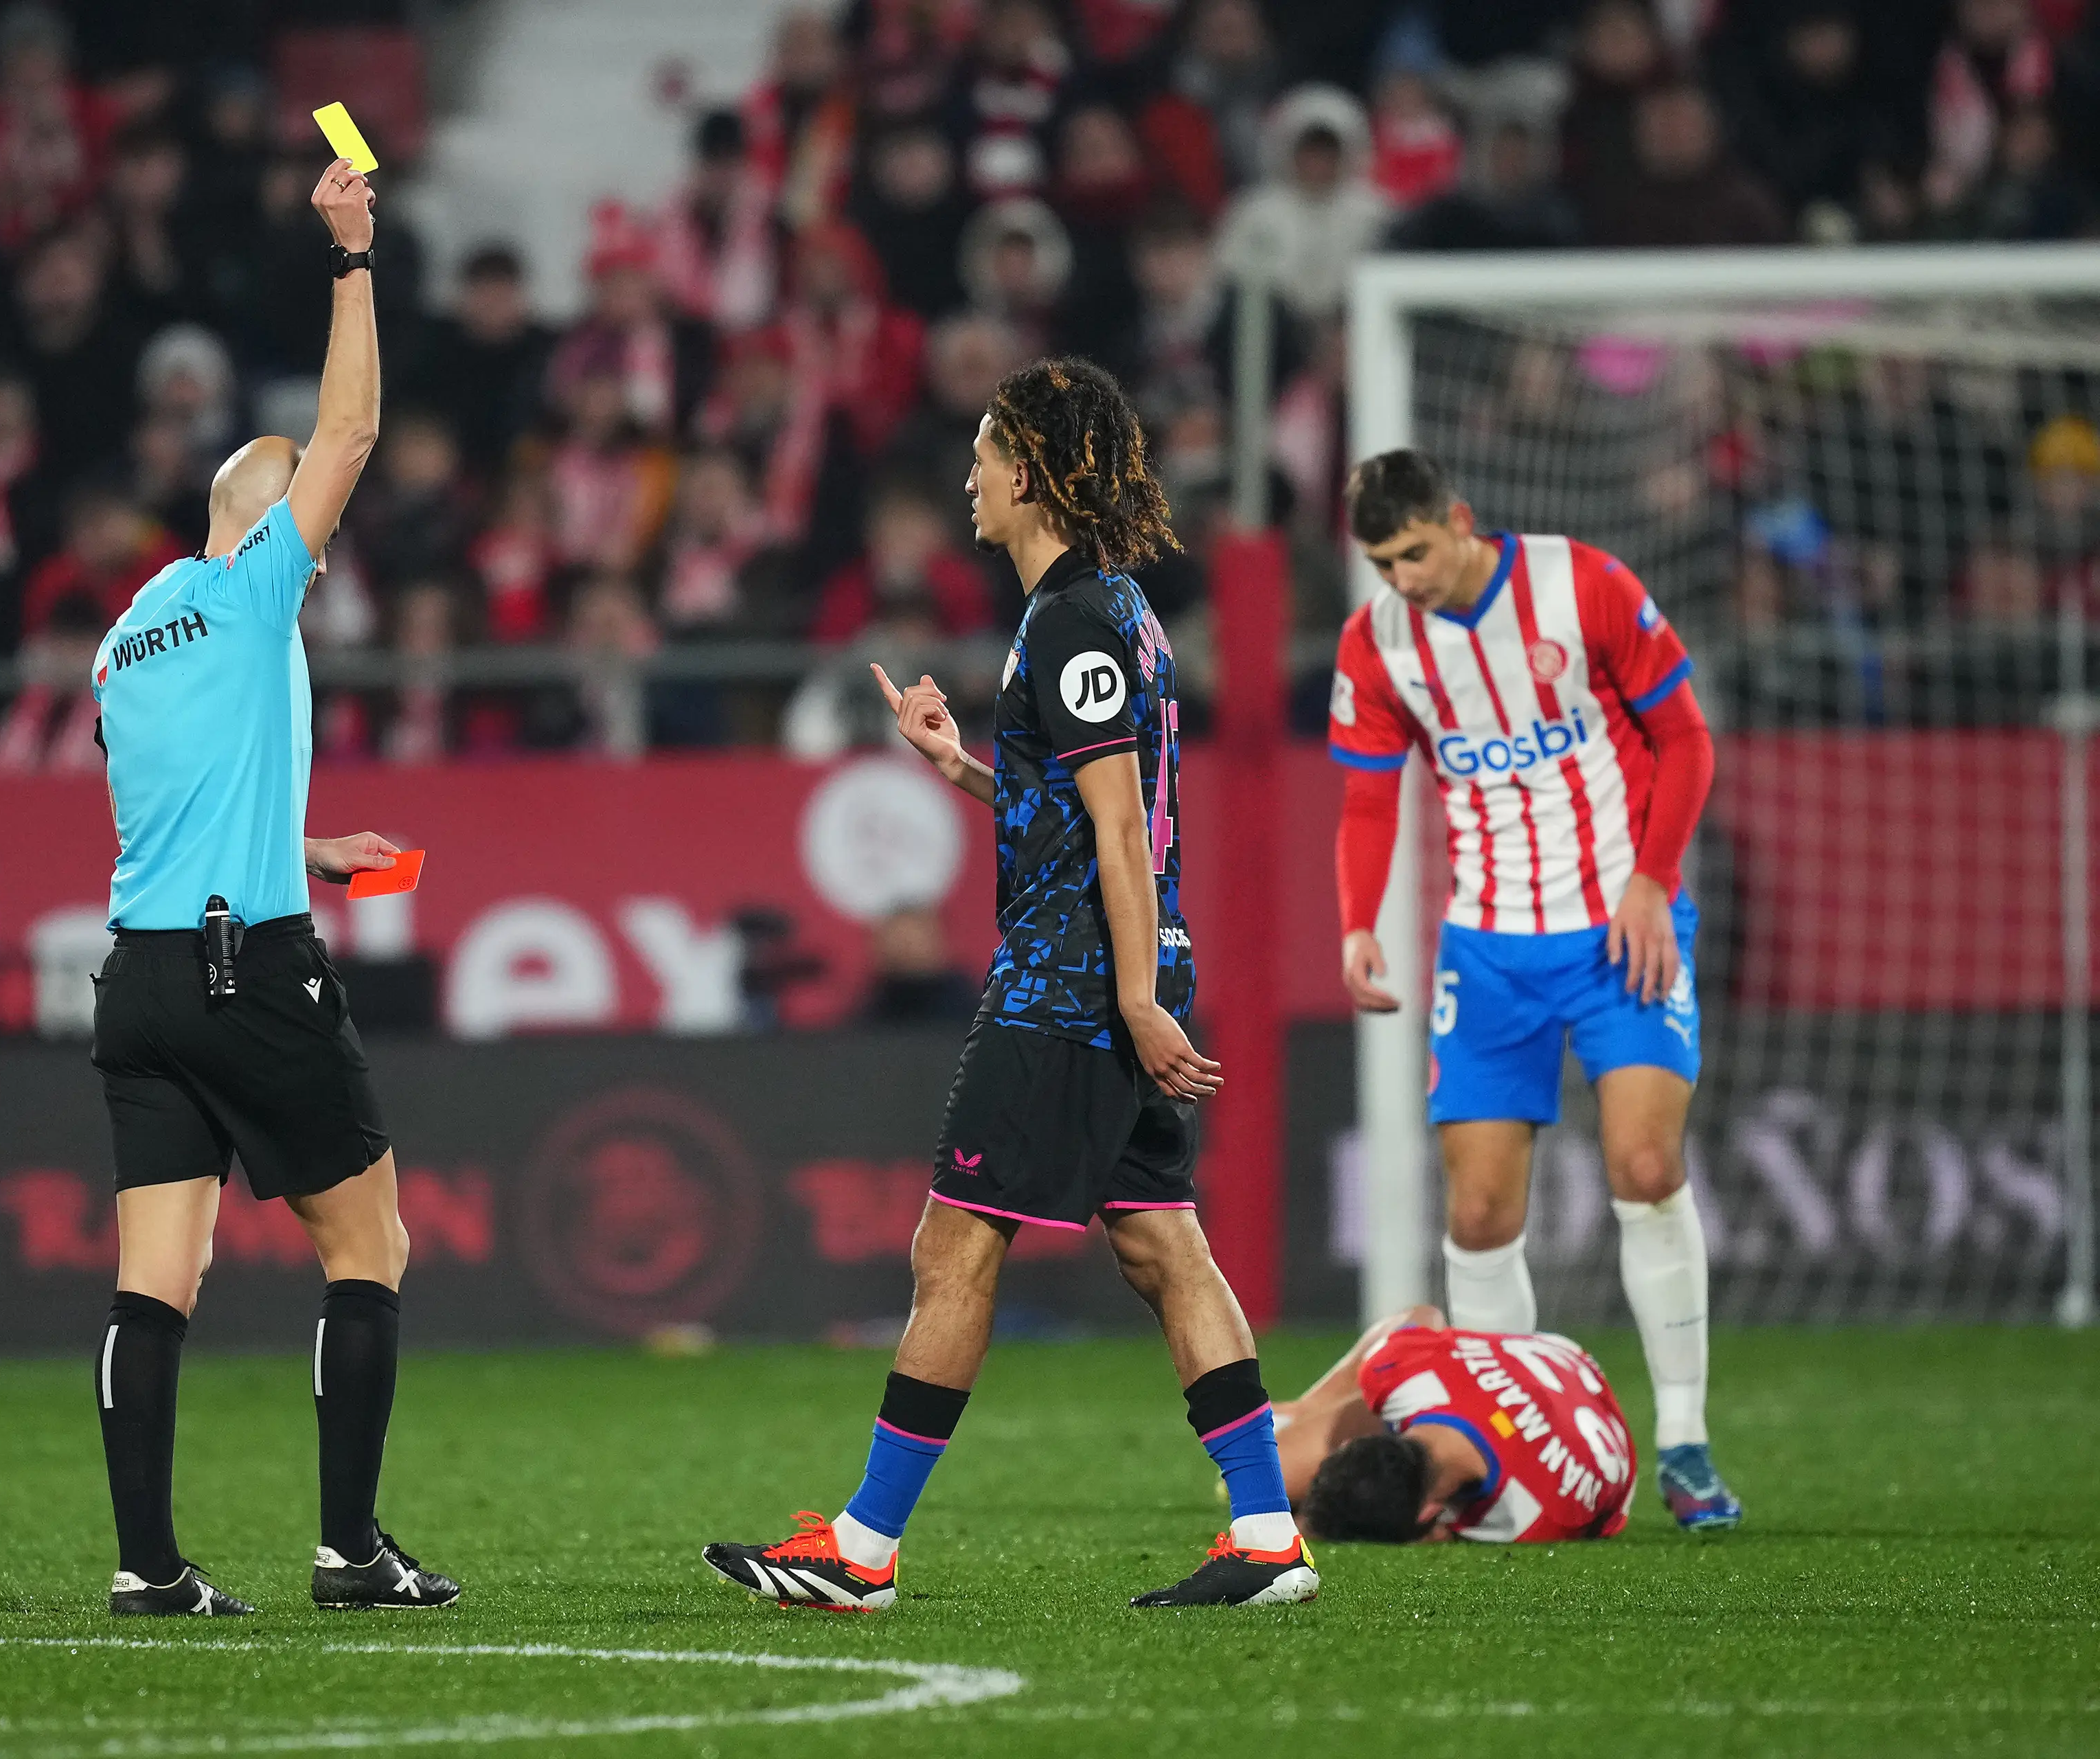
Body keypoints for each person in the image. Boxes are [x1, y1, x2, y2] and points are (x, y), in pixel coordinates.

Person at [703, 359, 1318, 1613]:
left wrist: (1135, 998)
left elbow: (1120, 837)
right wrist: (963, 769)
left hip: (1072, 988)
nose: (970, 477)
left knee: (953, 1246)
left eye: (986, 454)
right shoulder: (1118, 608)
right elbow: (1082, 807)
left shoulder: (1072, 622)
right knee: (1163, 1249)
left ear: (1030, 471)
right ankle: (1266, 1535)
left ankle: (862, 1552)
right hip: (1112, 972)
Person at [84, 156, 459, 1618]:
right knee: (374, 1242)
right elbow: (351, 426)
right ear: (262, 517)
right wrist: (353, 255)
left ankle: (148, 1565)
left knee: (152, 1282)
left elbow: (171, 808)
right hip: (252, 973)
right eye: (308, 522)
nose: (325, 549)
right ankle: (351, 1548)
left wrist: (299, 841)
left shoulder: (126, 636)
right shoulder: (251, 588)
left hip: (142, 976)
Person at [1329, 449, 1738, 1531]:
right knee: (1476, 1210)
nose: (1404, 577)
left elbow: (1686, 739)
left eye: (1415, 551)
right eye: (1384, 561)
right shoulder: (1376, 643)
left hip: (1622, 928)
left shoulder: (1584, 583)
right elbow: (1370, 800)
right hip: (1489, 949)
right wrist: (1360, 921)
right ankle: (1512, 1443)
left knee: (1647, 1166)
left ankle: (1687, 1444)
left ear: (1458, 522)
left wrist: (1654, 880)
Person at [1268, 1307, 1639, 1545]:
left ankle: (1301, 1424)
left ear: (1430, 1515)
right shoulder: (1403, 1373)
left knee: (1290, 1492)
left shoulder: (1534, 1517)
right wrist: (1314, 1407)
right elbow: (1421, 1316)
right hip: (1548, 1364)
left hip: (1574, 1384)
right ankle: (1302, 1409)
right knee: (1274, 1475)